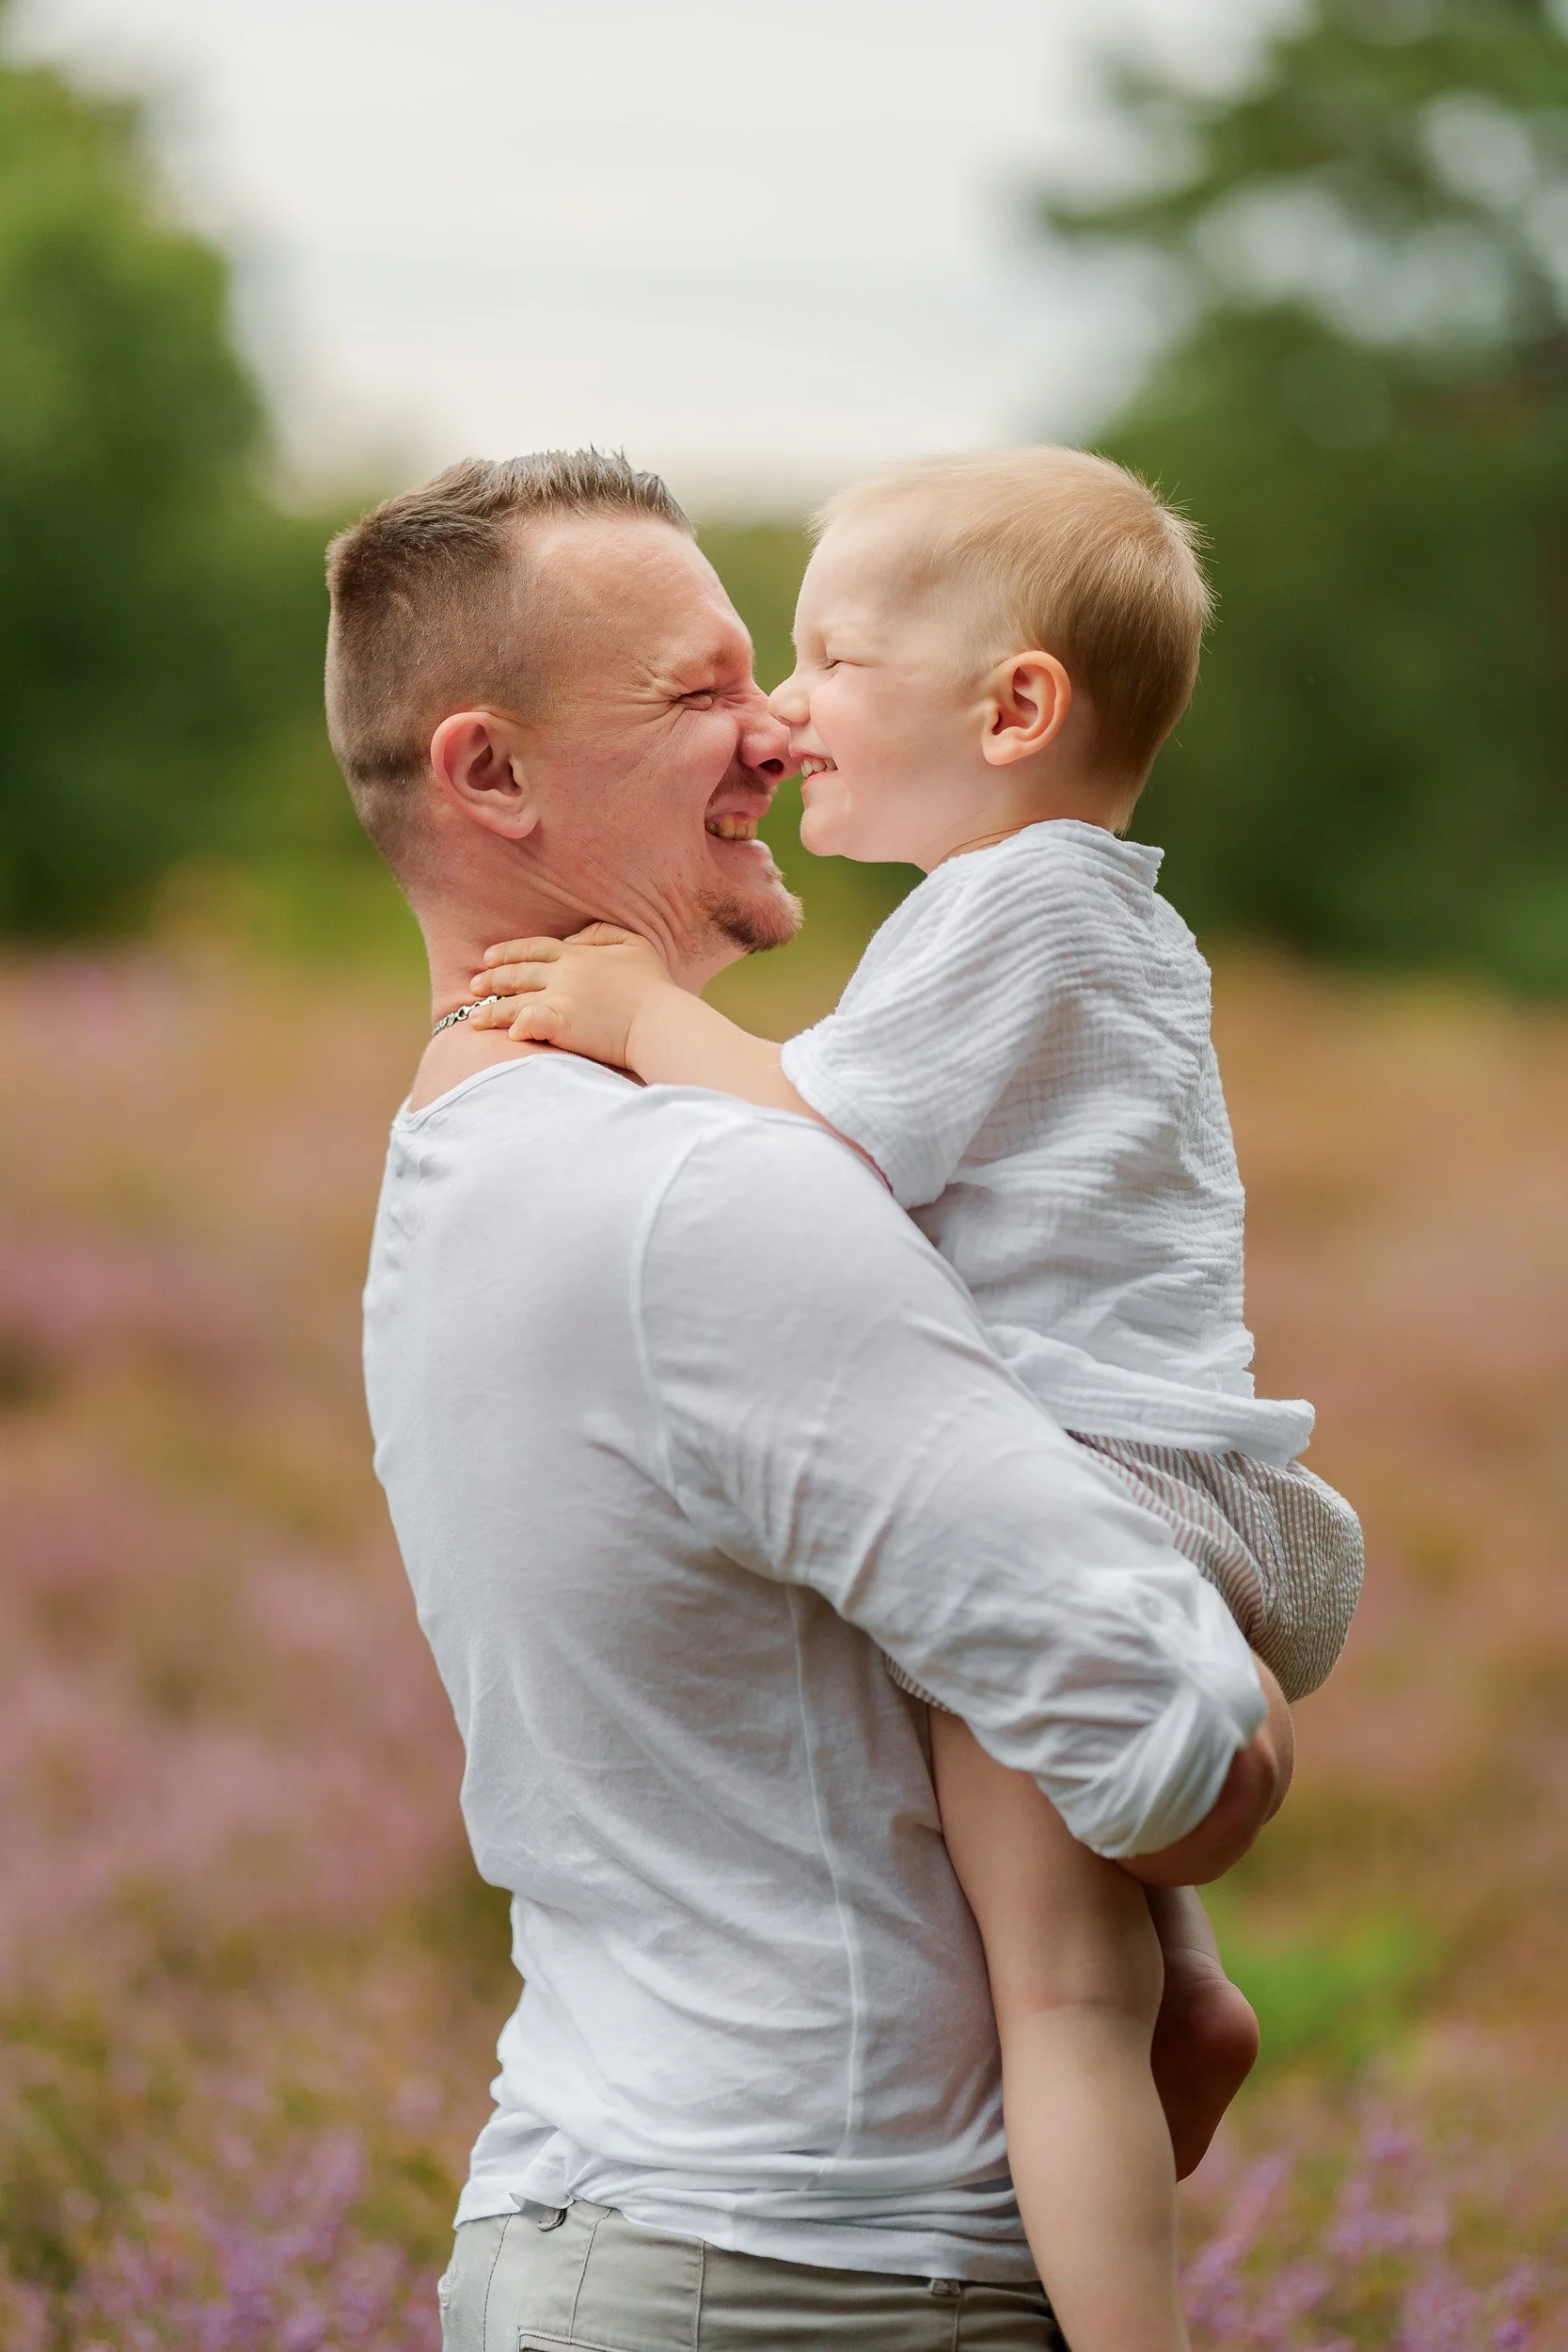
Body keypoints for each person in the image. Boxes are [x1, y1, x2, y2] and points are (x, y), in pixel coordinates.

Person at [326, 449, 1300, 2352]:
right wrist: (1246, 1681)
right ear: (490, 774)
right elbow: (1173, 1763)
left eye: (790, 671)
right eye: (701, 691)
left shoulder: (459, 1169)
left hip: (619, 2214)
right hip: (811, 2277)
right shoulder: (709, 1192)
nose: (775, 729)